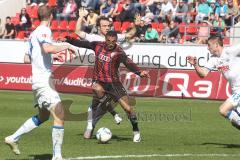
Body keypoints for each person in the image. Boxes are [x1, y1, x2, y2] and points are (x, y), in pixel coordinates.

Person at [4, 5, 76, 160]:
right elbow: (48, 48)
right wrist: (67, 45)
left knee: (43, 117)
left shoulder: (33, 33)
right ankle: (57, 157)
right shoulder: (45, 30)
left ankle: (13, 138)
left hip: (37, 81)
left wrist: (49, 58)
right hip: (43, 81)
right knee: (60, 114)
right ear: (51, 17)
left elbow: (26, 59)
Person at [65, 31, 149, 142]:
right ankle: (112, 115)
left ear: (116, 41)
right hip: (99, 81)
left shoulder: (119, 52)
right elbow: (82, 44)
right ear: (105, 39)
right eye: (108, 41)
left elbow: (128, 63)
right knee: (97, 90)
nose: (110, 43)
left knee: (128, 109)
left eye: (113, 41)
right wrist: (69, 40)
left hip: (114, 84)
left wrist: (139, 72)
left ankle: (136, 131)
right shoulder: (97, 45)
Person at [75, 8, 136, 139]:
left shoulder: (115, 36)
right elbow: (78, 32)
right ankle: (92, 126)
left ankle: (99, 123)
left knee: (104, 103)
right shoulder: (94, 38)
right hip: (99, 77)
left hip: (113, 79)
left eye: (109, 25)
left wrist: (136, 25)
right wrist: (80, 17)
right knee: (96, 102)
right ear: (98, 27)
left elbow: (130, 34)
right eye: (104, 26)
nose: (107, 28)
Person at [187, 35, 240, 132]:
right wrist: (195, 65)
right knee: (235, 121)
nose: (207, 47)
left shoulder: (231, 51)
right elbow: (203, 74)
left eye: (209, 45)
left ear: (216, 45)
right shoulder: (213, 59)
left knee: (223, 110)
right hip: (235, 91)